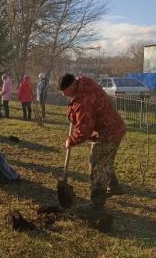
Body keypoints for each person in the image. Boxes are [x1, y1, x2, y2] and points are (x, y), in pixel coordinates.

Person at [58, 73, 126, 213]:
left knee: (97, 164)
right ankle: (114, 186)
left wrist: (70, 141)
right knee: (104, 160)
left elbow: (84, 130)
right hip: (110, 127)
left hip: (108, 132)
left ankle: (97, 203)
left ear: (72, 85)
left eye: (65, 92)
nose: (64, 95)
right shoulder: (84, 82)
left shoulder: (84, 100)